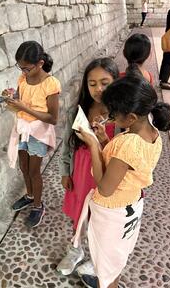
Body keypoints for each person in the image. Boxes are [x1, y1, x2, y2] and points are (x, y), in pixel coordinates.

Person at [72, 75, 170, 288]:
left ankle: (109, 283)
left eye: (113, 113)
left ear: (129, 117)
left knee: (108, 264)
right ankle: (111, 281)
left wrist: (93, 145)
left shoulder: (128, 143)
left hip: (112, 211)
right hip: (131, 205)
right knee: (116, 259)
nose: (109, 117)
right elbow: (124, 164)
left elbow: (105, 188)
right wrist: (103, 140)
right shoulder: (152, 133)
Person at [56, 58, 119, 276]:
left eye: (104, 82)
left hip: (104, 176)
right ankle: (76, 250)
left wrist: (101, 140)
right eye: (92, 84)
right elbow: (67, 145)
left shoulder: (121, 116)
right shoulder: (78, 111)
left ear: (116, 81)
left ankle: (97, 256)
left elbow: (120, 154)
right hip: (81, 173)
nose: (98, 89)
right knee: (78, 213)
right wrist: (65, 171)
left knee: (101, 219)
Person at [6, 41, 61, 228]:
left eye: (27, 68)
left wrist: (24, 108)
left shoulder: (51, 84)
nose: (23, 72)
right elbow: (20, 99)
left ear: (40, 64)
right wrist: (11, 97)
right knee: (23, 166)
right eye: (20, 68)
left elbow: (53, 118)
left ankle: (38, 205)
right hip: (22, 128)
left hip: (39, 132)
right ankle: (29, 195)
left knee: (33, 171)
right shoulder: (23, 79)